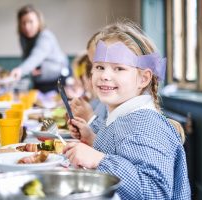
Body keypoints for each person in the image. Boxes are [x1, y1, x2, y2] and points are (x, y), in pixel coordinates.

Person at [63, 21, 191, 199]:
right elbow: (124, 156)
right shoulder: (124, 117)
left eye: (119, 68)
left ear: (143, 79)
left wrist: (98, 160)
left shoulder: (145, 127)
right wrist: (93, 140)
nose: (105, 76)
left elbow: (154, 192)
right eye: (100, 67)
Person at [10, 5, 68, 93]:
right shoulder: (23, 38)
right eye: (23, 23)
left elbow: (36, 57)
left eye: (30, 22)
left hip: (59, 79)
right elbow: (27, 58)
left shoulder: (45, 36)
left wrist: (20, 70)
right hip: (41, 82)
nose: (27, 26)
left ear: (38, 22)